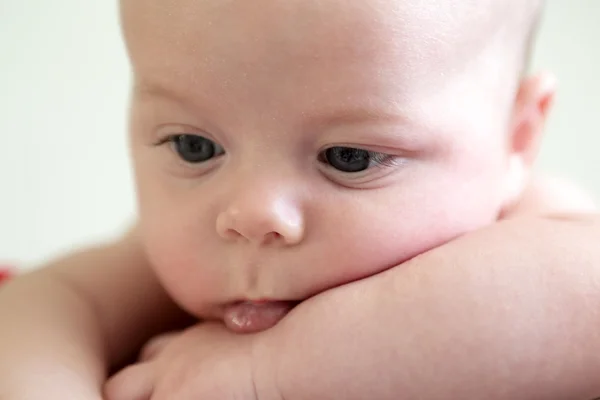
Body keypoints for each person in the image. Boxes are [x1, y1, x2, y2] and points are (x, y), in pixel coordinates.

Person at [1, 0, 599, 399]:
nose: (252, 215)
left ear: (516, 139)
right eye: (194, 146)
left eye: (350, 158)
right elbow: (39, 305)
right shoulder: (170, 268)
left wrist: (267, 375)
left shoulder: (536, 233)